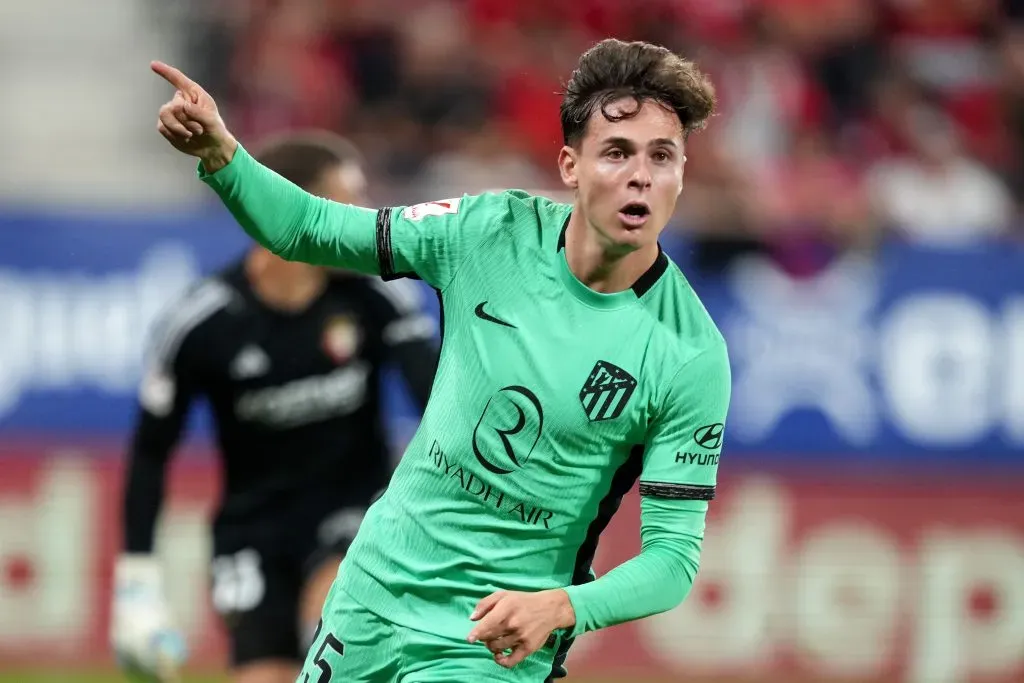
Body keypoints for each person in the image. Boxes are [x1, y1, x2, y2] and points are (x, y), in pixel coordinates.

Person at [150, 36, 730, 683]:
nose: (642, 176)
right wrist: (222, 156)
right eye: (618, 152)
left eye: (663, 156)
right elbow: (310, 229)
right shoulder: (487, 232)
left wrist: (563, 606)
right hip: (369, 594)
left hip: (490, 639)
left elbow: (674, 557)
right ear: (570, 165)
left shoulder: (687, 352)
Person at [110, 131, 440, 683]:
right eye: (348, 199)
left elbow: (438, 404)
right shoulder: (202, 320)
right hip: (252, 531)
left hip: (357, 515)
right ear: (296, 205)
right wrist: (136, 584)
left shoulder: (377, 295)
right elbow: (150, 452)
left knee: (333, 626)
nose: (365, 216)